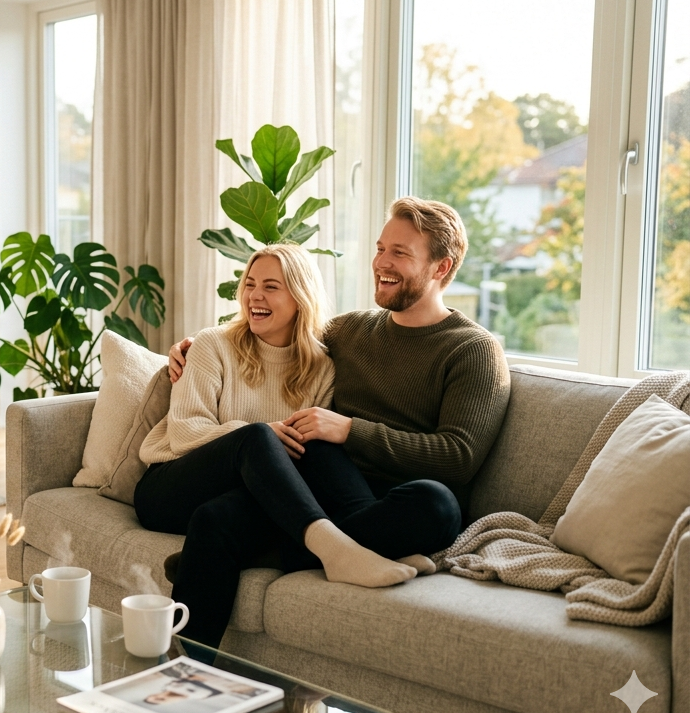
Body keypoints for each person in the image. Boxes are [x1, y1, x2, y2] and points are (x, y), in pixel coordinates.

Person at [166, 197, 510, 647]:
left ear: (441, 267)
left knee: (438, 504)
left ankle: (291, 550)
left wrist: (351, 430)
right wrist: (191, 348)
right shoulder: (349, 331)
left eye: (400, 253)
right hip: (315, 487)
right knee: (215, 518)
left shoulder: (472, 350)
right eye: (380, 247)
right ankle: (181, 685)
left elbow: (459, 457)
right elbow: (275, 329)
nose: (381, 263)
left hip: (394, 498)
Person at [135, 243, 428, 648]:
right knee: (257, 436)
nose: (255, 295)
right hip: (170, 485)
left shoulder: (322, 367)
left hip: (239, 495)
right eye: (250, 284)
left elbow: (305, 462)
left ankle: (186, 671)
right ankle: (340, 549)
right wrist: (262, 433)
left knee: (220, 518)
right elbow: (184, 434)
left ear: (299, 297)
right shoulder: (211, 345)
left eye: (271, 287)